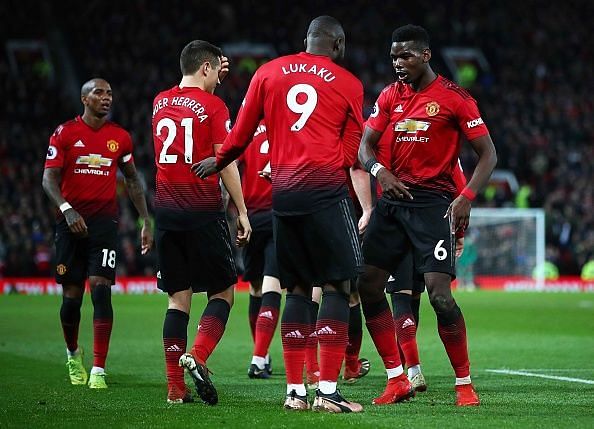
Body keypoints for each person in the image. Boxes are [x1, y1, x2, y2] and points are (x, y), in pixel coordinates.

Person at [193, 15, 365, 413]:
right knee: (338, 286)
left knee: (298, 290)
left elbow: (240, 135)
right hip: (325, 193)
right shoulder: (349, 83)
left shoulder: (269, 73)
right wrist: (326, 164)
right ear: (337, 45)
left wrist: (217, 161)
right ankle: (327, 391)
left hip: (283, 196)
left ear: (306, 41)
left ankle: (294, 393)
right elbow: (352, 147)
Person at [357, 24, 497, 406]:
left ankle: (464, 384)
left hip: (433, 205)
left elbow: (488, 154)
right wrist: (378, 171)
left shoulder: (455, 98)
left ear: (425, 55)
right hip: (392, 203)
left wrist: (466, 196)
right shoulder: (389, 96)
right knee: (367, 285)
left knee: (439, 297)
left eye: (405, 56)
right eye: (393, 57)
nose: (398, 64)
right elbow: (364, 147)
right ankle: (396, 377)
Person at [152, 40, 251, 405]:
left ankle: (175, 389)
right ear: (208, 68)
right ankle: (199, 354)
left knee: (177, 301)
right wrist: (241, 211)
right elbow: (224, 159)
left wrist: (209, 81)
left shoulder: (159, 101)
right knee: (223, 291)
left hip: (165, 212)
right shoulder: (214, 105)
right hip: (202, 211)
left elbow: (188, 98)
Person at [42, 78, 153, 389]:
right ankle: (72, 354)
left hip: (104, 224)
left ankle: (99, 369)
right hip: (69, 223)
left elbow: (132, 180)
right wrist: (66, 208)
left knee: (102, 290)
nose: (106, 98)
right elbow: (48, 179)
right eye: (99, 93)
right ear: (84, 98)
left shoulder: (120, 138)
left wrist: (146, 219)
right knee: (72, 298)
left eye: (110, 94)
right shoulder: (64, 133)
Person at [387, 161, 468, 393]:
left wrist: (370, 212)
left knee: (402, 294)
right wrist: (459, 231)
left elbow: (364, 168)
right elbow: (459, 182)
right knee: (422, 294)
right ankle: (458, 378)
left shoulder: (386, 129)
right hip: (432, 218)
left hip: (395, 215)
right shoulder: (443, 137)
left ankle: (411, 370)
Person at [239, 121, 281, 379]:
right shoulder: (288, 123)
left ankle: (259, 357)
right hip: (277, 211)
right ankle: (260, 357)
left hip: (255, 214)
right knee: (267, 286)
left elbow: (231, 163)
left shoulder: (247, 125)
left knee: (261, 286)